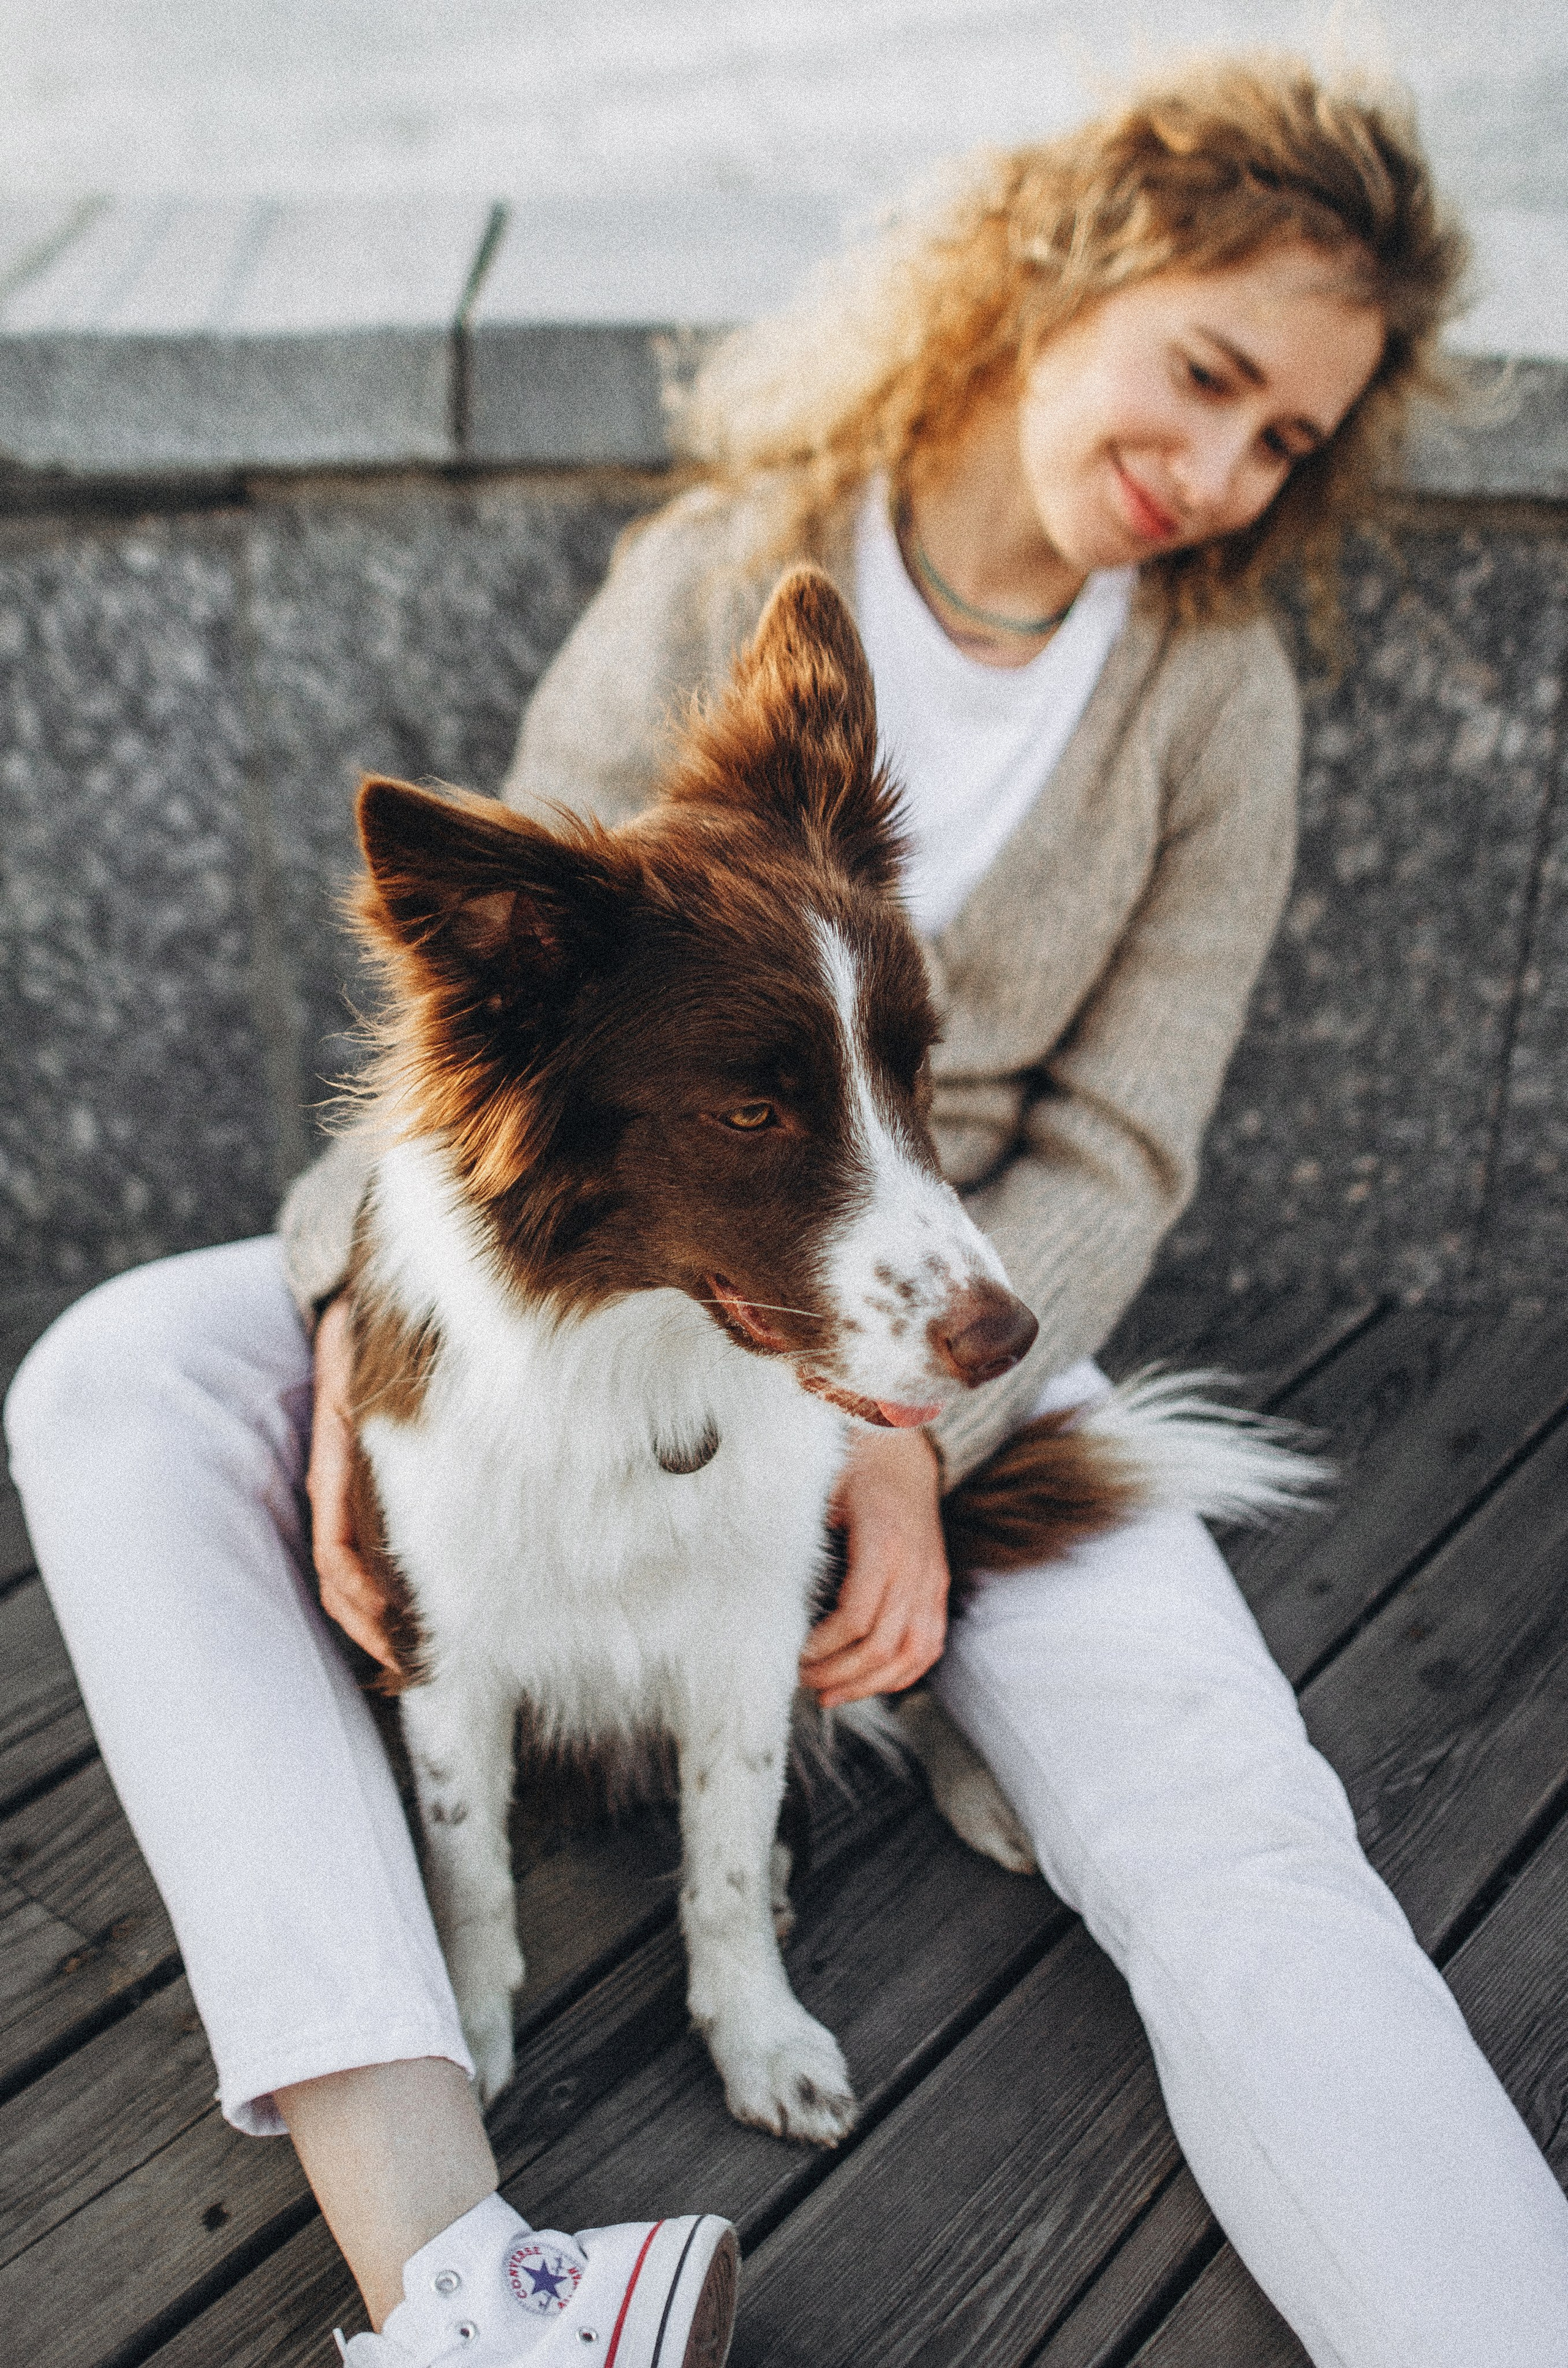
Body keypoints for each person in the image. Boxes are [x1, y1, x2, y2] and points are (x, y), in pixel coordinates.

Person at [7, 52, 1567, 2368]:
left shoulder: (1217, 693)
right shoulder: (740, 567)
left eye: (1286, 444)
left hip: (967, 1321)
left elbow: (1124, 1147)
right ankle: (460, 2266)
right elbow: (487, 1021)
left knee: (1230, 1799)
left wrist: (907, 1433)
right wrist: (353, 1324)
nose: (1219, 470)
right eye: (1212, 374)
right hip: (586, 1293)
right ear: (1060, 275)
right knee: (116, 1367)